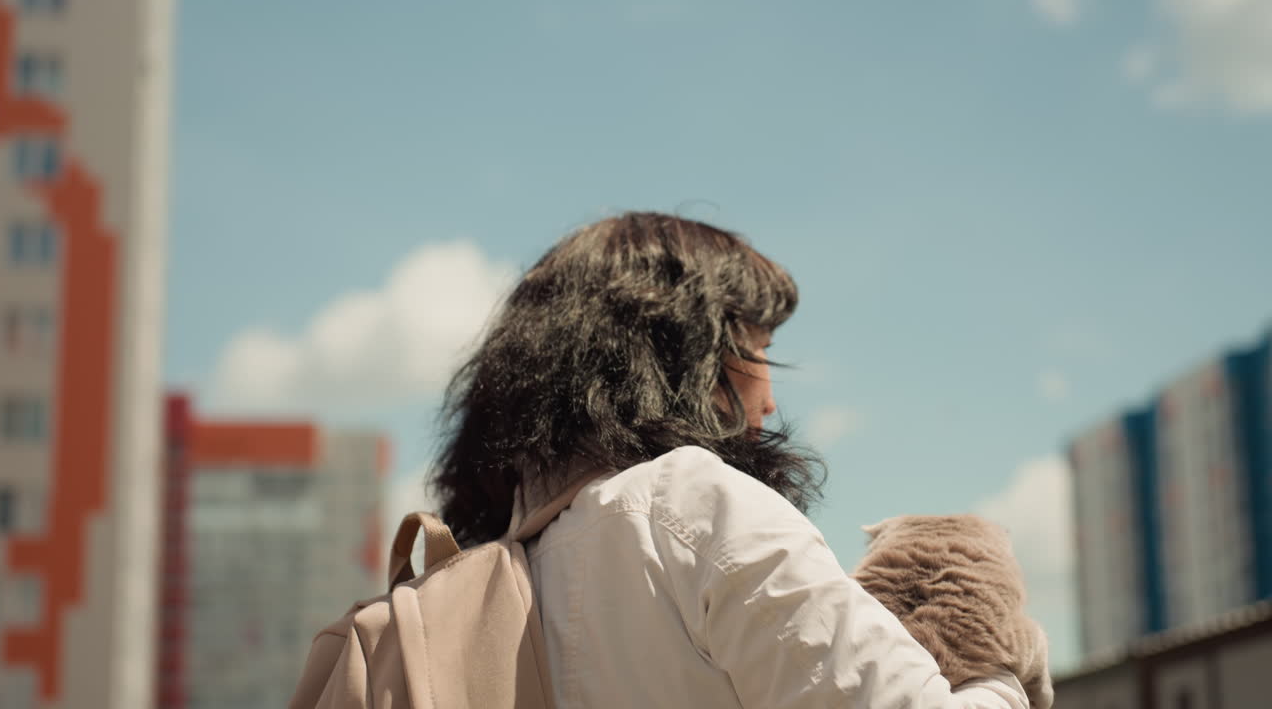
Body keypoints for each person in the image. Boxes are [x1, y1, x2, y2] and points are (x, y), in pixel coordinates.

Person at [430, 212, 1036, 708]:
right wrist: (1002, 665)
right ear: (684, 356)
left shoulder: (508, 565)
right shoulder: (693, 506)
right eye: (761, 351)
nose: (771, 401)